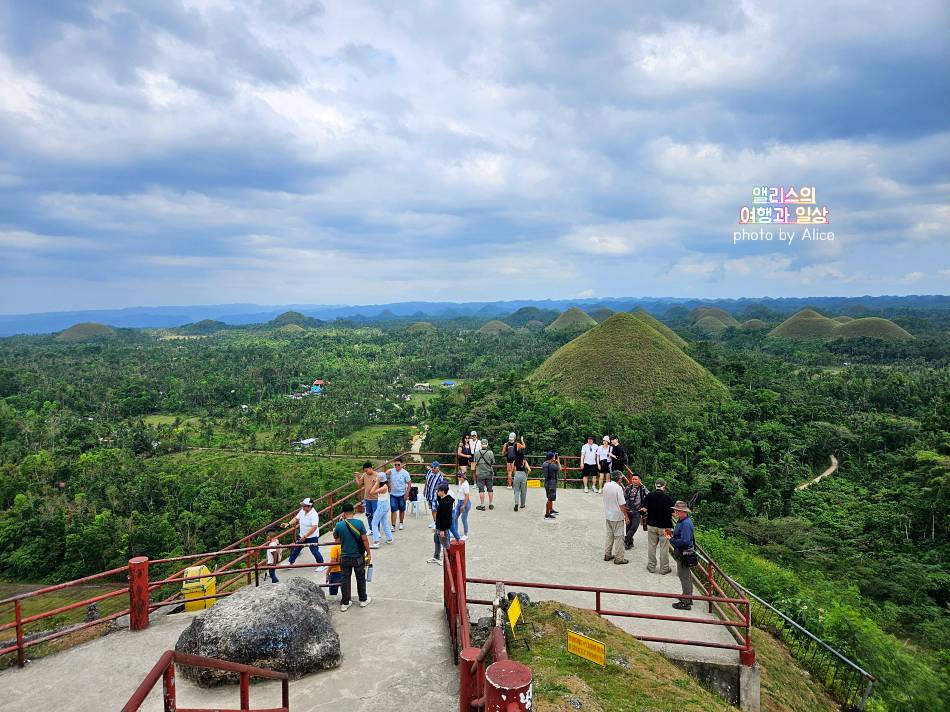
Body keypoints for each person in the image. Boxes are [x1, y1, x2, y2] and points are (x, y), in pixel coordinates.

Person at [332, 502, 371, 611]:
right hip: (358, 556)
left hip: (345, 557)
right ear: (353, 512)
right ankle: (363, 600)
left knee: (345, 579)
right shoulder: (359, 523)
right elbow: (364, 539)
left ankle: (345, 603)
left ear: (343, 513)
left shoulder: (339, 525)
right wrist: (368, 553)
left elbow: (336, 537)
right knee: (360, 578)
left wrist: (340, 522)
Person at [667, 501, 696, 610]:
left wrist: (672, 540)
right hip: (684, 551)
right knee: (686, 576)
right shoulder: (683, 521)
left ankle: (686, 602)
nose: (676, 512)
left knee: (684, 576)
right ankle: (688, 597)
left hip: (685, 552)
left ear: (683, 512)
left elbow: (685, 541)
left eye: (678, 510)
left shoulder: (686, 523)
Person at [642, 478, 674, 574]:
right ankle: (664, 569)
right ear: (664, 486)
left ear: (655, 485)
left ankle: (651, 566)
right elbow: (673, 513)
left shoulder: (649, 496)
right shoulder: (668, 498)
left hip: (651, 525)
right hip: (666, 527)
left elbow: (643, 509)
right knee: (665, 548)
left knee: (652, 546)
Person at [602, 471, 630, 565]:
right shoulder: (618, 488)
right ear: (619, 479)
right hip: (617, 516)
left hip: (608, 514)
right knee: (619, 537)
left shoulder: (606, 485)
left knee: (609, 535)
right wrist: (626, 516)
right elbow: (622, 504)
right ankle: (619, 558)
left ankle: (607, 554)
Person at [287, 497, 324, 567]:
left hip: (312, 536)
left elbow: (314, 527)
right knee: (296, 549)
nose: (302, 507)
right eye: (302, 505)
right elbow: (296, 518)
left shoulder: (314, 514)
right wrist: (288, 524)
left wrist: (305, 536)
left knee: (314, 551)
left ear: (310, 506)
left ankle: (321, 564)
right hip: (302, 535)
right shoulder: (302, 511)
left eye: (304, 506)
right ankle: (290, 563)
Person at [427, 483, 454, 566]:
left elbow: (445, 518)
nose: (437, 492)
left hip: (443, 527)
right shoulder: (445, 498)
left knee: (445, 544)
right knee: (436, 540)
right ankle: (436, 557)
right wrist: (437, 494)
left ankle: (448, 560)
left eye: (438, 491)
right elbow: (439, 499)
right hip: (438, 526)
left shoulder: (445, 503)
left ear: (443, 492)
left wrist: (442, 530)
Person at [623, 475, 649, 550]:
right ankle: (629, 543)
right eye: (633, 479)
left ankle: (625, 539)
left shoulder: (643, 488)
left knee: (634, 527)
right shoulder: (628, 487)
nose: (634, 480)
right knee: (628, 527)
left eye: (636, 479)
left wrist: (645, 507)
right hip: (628, 510)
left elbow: (649, 497)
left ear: (639, 480)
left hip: (637, 511)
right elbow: (623, 498)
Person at [387, 458, 413, 530]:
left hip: (402, 494)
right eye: (395, 464)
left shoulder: (405, 473)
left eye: (398, 464)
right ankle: (393, 525)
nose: (397, 466)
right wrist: (388, 485)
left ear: (401, 464)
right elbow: (385, 476)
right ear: (393, 465)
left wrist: (407, 494)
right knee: (393, 509)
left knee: (402, 509)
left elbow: (409, 484)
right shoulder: (391, 471)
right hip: (393, 494)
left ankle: (401, 523)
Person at [370, 474, 394, 548]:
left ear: (380, 479)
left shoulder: (384, 487)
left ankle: (376, 542)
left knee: (374, 523)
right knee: (384, 522)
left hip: (382, 506)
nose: (376, 477)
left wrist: (377, 482)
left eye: (377, 477)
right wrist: (376, 482)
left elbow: (372, 492)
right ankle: (390, 538)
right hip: (385, 505)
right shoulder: (384, 485)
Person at [355, 462, 380, 530]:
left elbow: (381, 486)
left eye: (366, 470)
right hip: (367, 498)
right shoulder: (365, 474)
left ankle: (377, 529)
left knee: (376, 515)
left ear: (370, 468)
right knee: (368, 514)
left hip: (376, 498)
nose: (366, 472)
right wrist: (357, 477)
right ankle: (371, 529)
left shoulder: (377, 475)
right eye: (365, 471)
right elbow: (360, 484)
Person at [424, 461, 446, 529]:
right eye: (432, 467)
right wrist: (425, 489)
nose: (432, 469)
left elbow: (442, 487)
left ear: (438, 468)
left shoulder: (440, 476)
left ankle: (437, 523)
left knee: (435, 509)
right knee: (432, 509)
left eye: (434, 468)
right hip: (428, 493)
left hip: (435, 495)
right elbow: (426, 481)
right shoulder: (429, 472)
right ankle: (434, 521)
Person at [474, 442, 496, 511]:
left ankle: (482, 505)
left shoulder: (476, 453)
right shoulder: (490, 453)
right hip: (488, 473)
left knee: (481, 490)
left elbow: (475, 462)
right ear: (487, 444)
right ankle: (491, 504)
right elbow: (493, 462)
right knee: (490, 489)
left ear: (481, 445)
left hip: (480, 474)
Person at [454, 469, 472, 540]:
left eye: (460, 476)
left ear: (463, 477)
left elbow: (467, 496)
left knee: (463, 518)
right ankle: (455, 531)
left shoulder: (465, 484)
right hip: (459, 502)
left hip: (465, 502)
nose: (458, 478)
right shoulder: (460, 482)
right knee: (454, 517)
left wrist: (463, 506)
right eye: (458, 476)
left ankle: (465, 534)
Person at [511, 445, 531, 511]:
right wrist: (526, 475)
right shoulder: (524, 461)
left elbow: (513, 469)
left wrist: (515, 474)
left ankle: (516, 503)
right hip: (523, 475)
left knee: (516, 490)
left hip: (517, 474)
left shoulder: (515, 461)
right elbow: (529, 469)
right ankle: (522, 504)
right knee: (523, 491)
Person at [542, 452, 560, 519]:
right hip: (551, 483)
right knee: (550, 499)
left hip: (546, 482)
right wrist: (558, 462)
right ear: (552, 457)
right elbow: (559, 468)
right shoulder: (552, 465)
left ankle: (551, 510)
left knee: (550, 497)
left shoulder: (544, 464)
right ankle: (547, 514)